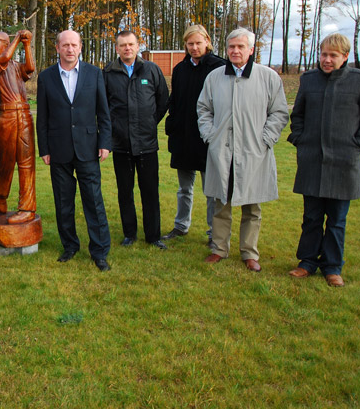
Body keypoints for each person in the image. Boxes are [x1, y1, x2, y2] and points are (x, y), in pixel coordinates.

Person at [287, 33, 360, 287]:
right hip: (312, 161)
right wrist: (300, 139)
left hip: (343, 163)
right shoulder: (309, 80)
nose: (327, 60)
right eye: (324, 54)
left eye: (333, 55)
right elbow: (298, 115)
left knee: (337, 220)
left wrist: (358, 143)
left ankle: (332, 267)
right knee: (311, 217)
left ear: (345, 56)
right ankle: (307, 262)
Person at [197, 28, 288, 272]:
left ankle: (249, 252)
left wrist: (266, 139)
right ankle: (219, 248)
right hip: (222, 151)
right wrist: (210, 136)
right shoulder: (215, 77)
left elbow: (279, 112)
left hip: (253, 152)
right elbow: (203, 109)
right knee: (221, 203)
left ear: (251, 49)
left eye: (241, 47)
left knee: (252, 206)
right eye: (232, 47)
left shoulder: (268, 77)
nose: (235, 51)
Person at [37, 29, 113, 271]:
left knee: (93, 200)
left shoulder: (94, 73)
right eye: (65, 45)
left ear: (80, 47)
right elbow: (42, 116)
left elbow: (103, 112)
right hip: (58, 148)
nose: (70, 49)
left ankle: (99, 251)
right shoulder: (46, 77)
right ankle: (69, 246)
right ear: (57, 48)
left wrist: (105, 142)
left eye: (74, 45)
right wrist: (44, 148)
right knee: (63, 202)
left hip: (88, 148)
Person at [103, 30, 168, 250]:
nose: (127, 48)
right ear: (117, 48)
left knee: (150, 191)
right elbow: (103, 107)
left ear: (138, 46)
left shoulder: (151, 70)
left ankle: (153, 235)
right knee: (125, 192)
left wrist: (149, 122)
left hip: (147, 144)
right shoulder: (108, 73)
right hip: (121, 144)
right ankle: (129, 233)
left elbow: (163, 101)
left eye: (131, 44)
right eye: (123, 45)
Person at [163, 25, 226, 247]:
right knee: (184, 189)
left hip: (208, 138)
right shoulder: (180, 69)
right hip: (183, 137)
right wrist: (172, 125)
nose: (195, 47)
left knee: (211, 190)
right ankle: (181, 225)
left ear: (207, 42)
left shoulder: (219, 67)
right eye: (190, 43)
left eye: (198, 43)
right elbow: (175, 101)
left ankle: (214, 233)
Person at [0, 29, 36, 224]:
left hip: (25, 115)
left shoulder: (15, 65)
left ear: (4, 44)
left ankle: (27, 209)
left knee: (27, 163)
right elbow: (5, 57)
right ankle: (1, 191)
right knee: (7, 164)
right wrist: (18, 38)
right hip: (6, 117)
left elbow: (30, 68)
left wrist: (27, 44)